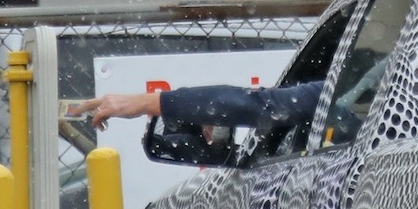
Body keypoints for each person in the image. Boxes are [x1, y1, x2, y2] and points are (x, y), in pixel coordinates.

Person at [69, 80, 323, 131]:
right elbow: (264, 105)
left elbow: (261, 107)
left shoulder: (345, 92)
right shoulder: (348, 92)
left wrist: (150, 102)